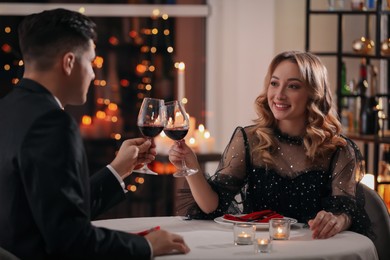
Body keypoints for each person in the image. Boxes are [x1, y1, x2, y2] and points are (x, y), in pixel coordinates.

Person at [0, 8, 189, 259]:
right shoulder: (52, 124)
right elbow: (71, 240)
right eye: (90, 62)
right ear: (68, 63)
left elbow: (55, 212)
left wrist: (118, 169)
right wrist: (148, 245)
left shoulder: (7, 108)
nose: (92, 73)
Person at [169, 51, 372, 240]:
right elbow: (212, 206)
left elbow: (347, 210)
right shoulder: (249, 139)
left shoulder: (338, 149)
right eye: (274, 84)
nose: (279, 95)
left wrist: (337, 220)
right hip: (258, 248)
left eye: (293, 86)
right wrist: (191, 165)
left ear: (313, 94)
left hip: (313, 249)